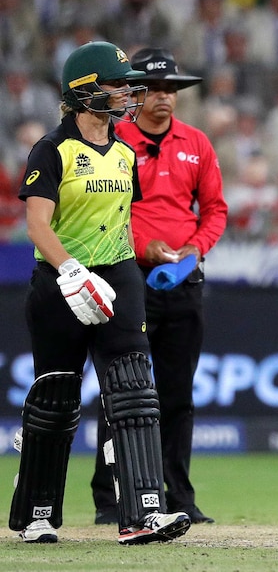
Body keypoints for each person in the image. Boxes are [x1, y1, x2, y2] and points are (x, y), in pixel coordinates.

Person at [10, 40, 191, 545]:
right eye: (117, 84)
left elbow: (119, 222)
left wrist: (143, 251)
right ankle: (37, 514)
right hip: (60, 285)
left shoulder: (126, 152)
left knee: (135, 391)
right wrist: (70, 272)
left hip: (117, 277)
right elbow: (37, 225)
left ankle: (142, 514)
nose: (128, 93)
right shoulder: (51, 150)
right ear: (85, 90)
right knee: (56, 399)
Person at [90, 47, 227, 526]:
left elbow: (215, 211)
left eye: (171, 89)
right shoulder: (115, 138)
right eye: (152, 89)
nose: (164, 97)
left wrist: (195, 249)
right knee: (123, 391)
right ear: (134, 93)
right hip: (127, 276)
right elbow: (107, 211)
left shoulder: (197, 143)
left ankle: (179, 498)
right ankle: (110, 499)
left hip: (183, 279)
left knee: (177, 393)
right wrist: (144, 247)